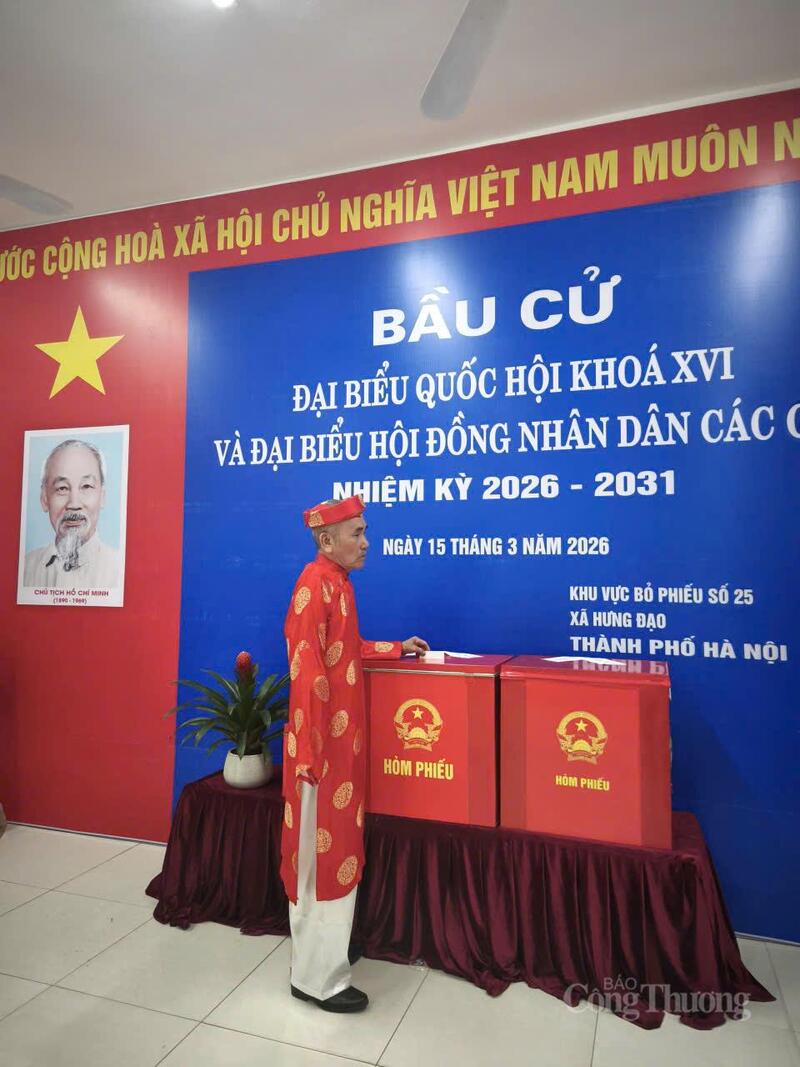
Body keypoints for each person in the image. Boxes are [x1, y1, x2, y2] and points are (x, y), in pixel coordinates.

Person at [280, 495, 428, 1013]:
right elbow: (306, 672)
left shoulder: (338, 583)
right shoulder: (313, 585)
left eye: (365, 532)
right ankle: (317, 978)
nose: (366, 543)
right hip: (321, 755)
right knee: (320, 859)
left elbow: (345, 650)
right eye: (357, 533)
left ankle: (329, 951)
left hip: (340, 751)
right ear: (327, 540)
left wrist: (393, 648)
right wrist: (310, 753)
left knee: (338, 852)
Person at [23, 439, 120, 589]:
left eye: (86, 486)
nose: (74, 504)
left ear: (102, 497)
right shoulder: (25, 568)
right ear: (44, 499)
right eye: (62, 488)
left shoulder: (119, 570)